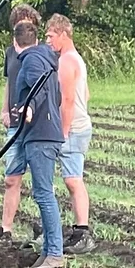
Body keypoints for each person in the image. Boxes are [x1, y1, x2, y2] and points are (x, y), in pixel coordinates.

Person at [0, 4, 42, 251]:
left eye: (28, 21)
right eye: (20, 21)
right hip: (14, 125)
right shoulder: (10, 53)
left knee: (41, 181)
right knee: (11, 179)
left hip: (36, 125)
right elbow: (9, 83)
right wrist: (5, 109)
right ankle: (5, 231)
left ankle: (43, 230)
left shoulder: (44, 54)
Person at [11, 20, 66, 268]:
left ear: (15, 43)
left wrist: (29, 107)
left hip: (41, 136)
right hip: (47, 132)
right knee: (43, 193)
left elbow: (39, 89)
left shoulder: (32, 61)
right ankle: (47, 252)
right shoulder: (46, 60)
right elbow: (57, 96)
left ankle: (55, 253)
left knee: (44, 195)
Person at [44, 13, 96, 254]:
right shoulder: (76, 59)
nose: (48, 41)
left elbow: (66, 100)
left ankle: (82, 233)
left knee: (73, 180)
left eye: (51, 36)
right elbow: (86, 95)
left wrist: (62, 132)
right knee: (71, 179)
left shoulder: (66, 61)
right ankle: (77, 230)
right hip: (79, 125)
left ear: (63, 34)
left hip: (73, 129)